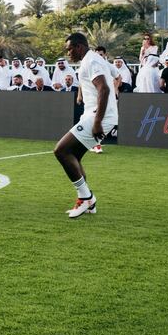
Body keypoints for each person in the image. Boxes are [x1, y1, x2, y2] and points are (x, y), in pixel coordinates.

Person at [53, 33, 118, 219]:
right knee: (74, 156)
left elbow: (104, 88)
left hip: (99, 116)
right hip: (93, 114)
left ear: (79, 46)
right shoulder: (95, 60)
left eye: (70, 49)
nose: (68, 53)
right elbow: (116, 74)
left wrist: (97, 121)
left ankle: (86, 197)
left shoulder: (92, 61)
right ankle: (87, 203)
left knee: (61, 151)